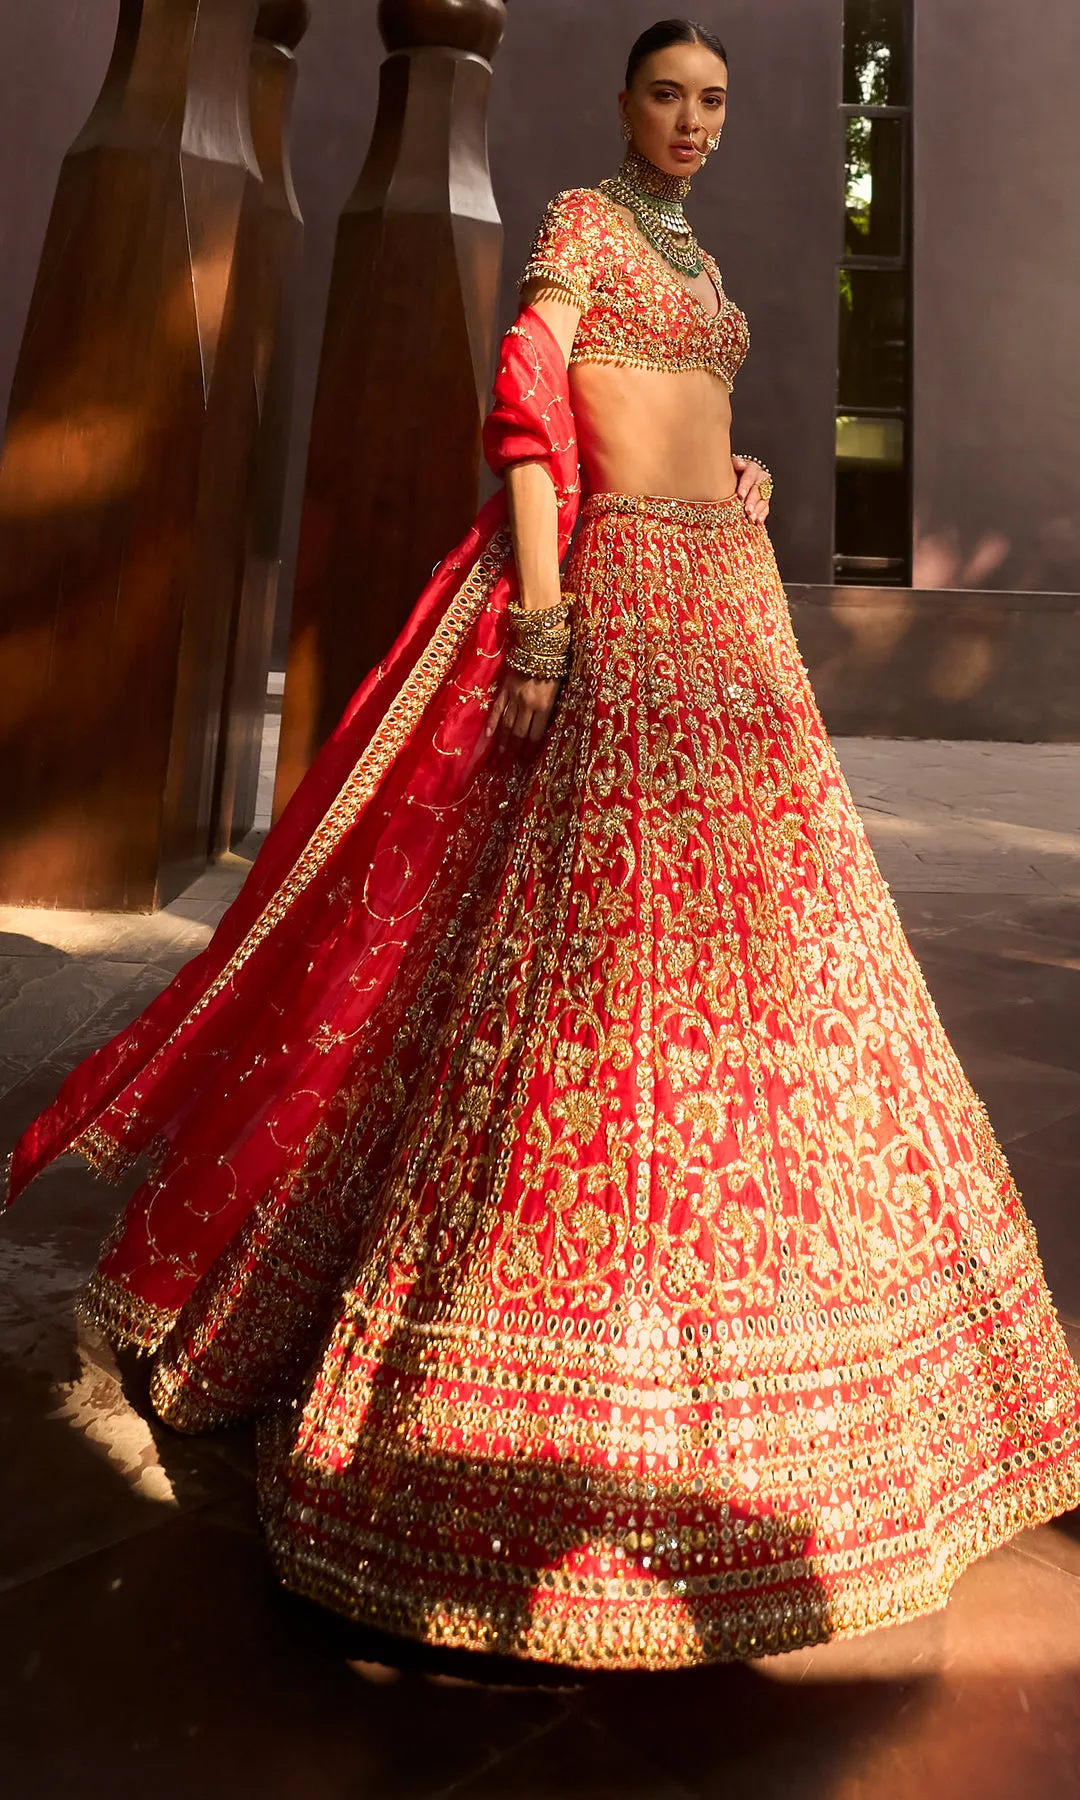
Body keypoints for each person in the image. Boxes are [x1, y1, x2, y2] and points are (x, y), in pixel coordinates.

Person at [8, 18, 1080, 1671]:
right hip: (623, 614)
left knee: (782, 962)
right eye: (672, 94)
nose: (695, 123)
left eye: (716, 102)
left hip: (729, 602)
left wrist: (739, 469)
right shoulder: (582, 222)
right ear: (625, 103)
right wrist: (549, 623)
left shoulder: (693, 247)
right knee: (584, 963)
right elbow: (532, 413)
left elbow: (678, 393)